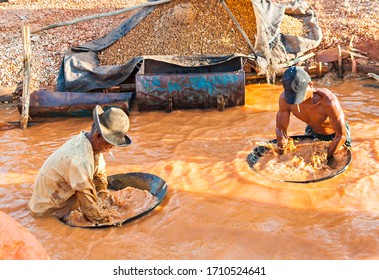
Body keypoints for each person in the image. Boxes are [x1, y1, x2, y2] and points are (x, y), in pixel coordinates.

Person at [28, 105, 132, 223]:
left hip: (62, 197)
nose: (112, 147)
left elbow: (99, 174)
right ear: (97, 135)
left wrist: (103, 196)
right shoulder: (79, 160)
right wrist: (109, 220)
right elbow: (90, 210)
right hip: (48, 212)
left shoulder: (90, 143)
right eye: (110, 143)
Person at [275, 66, 351, 168]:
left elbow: (341, 135)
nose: (298, 102)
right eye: (293, 97)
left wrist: (323, 156)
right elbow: (281, 131)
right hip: (312, 132)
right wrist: (281, 156)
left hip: (335, 136)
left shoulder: (328, 101)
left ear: (310, 85)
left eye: (300, 95)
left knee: (335, 167)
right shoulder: (285, 99)